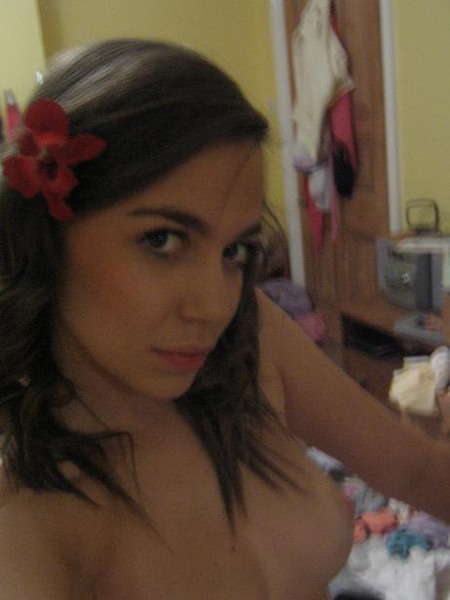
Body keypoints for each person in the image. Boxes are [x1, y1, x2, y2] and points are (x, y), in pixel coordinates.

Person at [0, 38, 450, 600]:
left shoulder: (248, 338)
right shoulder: (28, 518)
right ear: (49, 238)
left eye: (234, 251)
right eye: (162, 240)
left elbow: (414, 471)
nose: (215, 306)